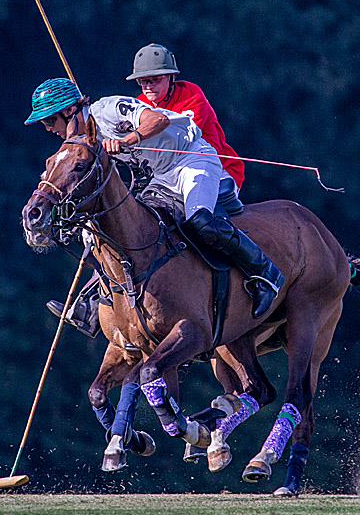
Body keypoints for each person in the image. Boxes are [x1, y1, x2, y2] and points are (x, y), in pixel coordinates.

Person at [26, 77, 283, 328]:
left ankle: (264, 273)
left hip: (190, 161)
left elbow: (157, 119)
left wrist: (126, 141)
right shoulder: (80, 144)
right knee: (110, 232)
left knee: (201, 222)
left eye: (50, 119)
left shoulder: (107, 109)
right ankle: (93, 305)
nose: (48, 128)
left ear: (71, 110)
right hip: (158, 177)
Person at [127, 43, 244, 193]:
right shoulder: (139, 104)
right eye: (143, 80)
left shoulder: (191, 95)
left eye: (155, 79)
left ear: (171, 77)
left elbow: (183, 141)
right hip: (170, 175)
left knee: (202, 210)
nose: (149, 86)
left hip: (218, 169)